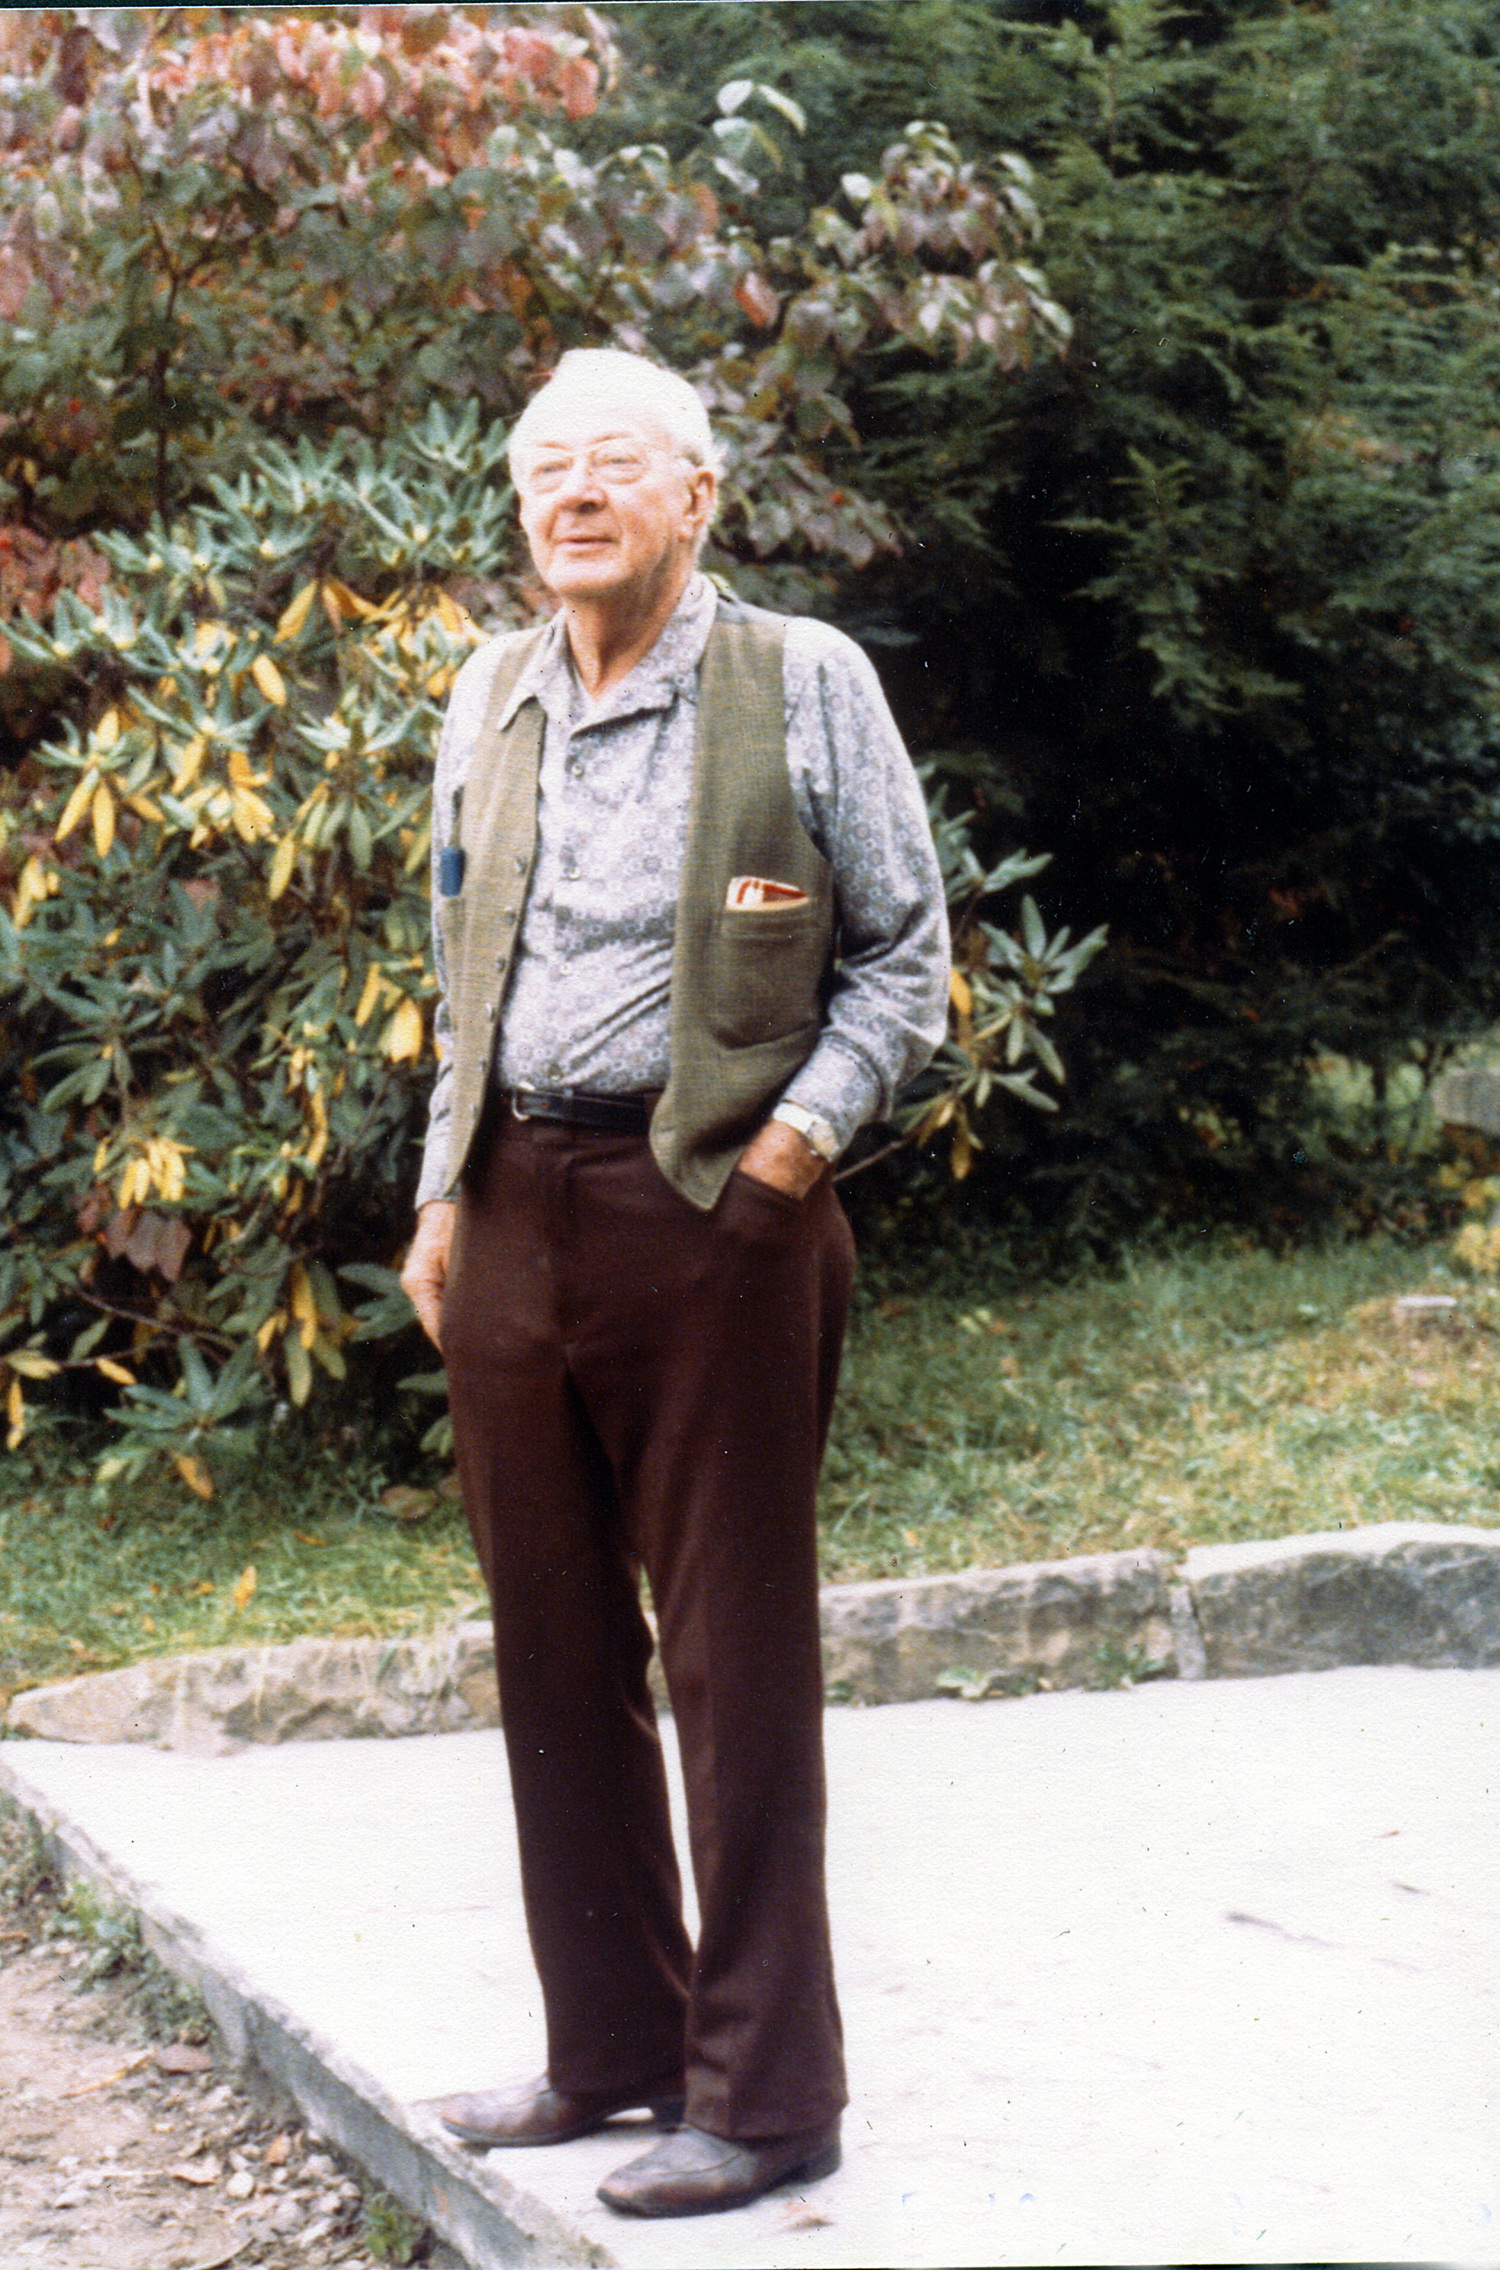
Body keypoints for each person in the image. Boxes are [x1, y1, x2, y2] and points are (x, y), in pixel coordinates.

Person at [400, 347, 949, 2219]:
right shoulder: (491, 691)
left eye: (613, 462)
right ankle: (612, 2041)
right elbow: (465, 968)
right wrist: (443, 1191)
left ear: (696, 495)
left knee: (733, 1650)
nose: (573, 492)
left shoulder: (802, 678)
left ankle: (772, 2093)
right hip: (511, 1205)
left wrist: (789, 1151)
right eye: (544, 464)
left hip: (714, 1204)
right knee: (552, 1643)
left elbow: (906, 956)